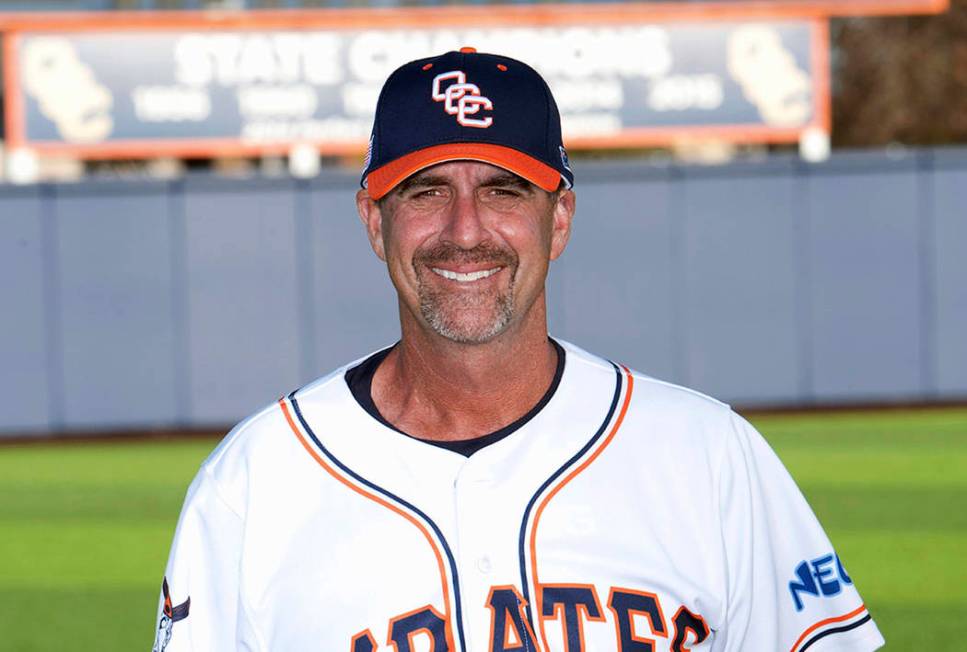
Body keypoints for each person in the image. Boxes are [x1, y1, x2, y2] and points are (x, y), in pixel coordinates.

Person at [153, 48, 884, 652]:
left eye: (504, 191)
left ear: (558, 217)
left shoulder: (707, 455)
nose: (465, 230)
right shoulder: (255, 483)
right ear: (374, 223)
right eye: (424, 192)